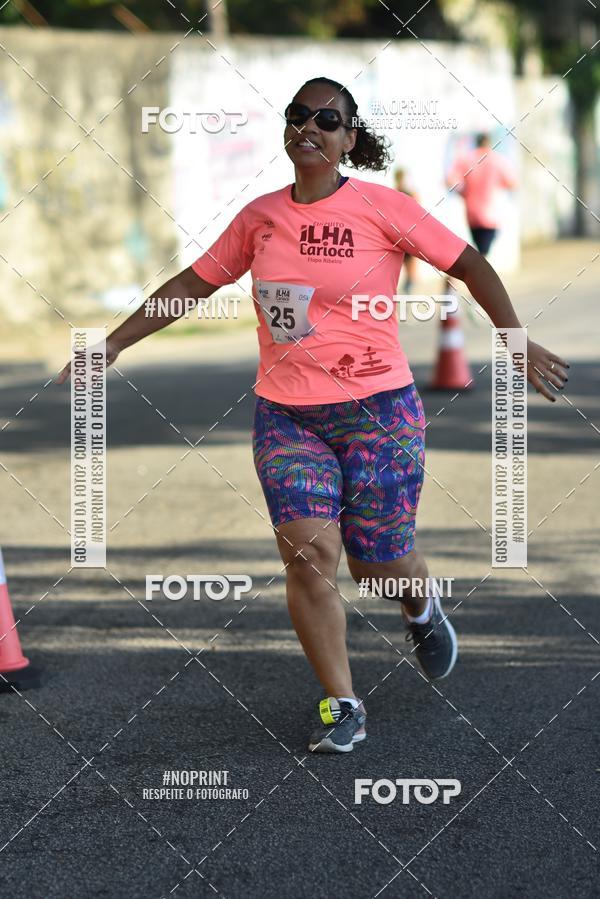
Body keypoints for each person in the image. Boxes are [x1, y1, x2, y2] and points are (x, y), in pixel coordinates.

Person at [57, 77, 568, 754]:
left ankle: (419, 604)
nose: (311, 127)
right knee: (308, 556)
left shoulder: (384, 207)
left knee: (376, 563)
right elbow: (191, 283)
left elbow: (470, 262)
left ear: (349, 139)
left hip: (380, 412)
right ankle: (343, 702)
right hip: (287, 416)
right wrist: (113, 343)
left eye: (328, 119)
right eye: (299, 116)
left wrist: (513, 338)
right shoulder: (259, 218)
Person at [446, 132, 517, 257]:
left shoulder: (466, 159)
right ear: (488, 142)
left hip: (471, 213)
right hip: (490, 215)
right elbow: (512, 183)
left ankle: (458, 273)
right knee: (483, 253)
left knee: (480, 251)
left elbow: (449, 180)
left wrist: (463, 193)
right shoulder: (497, 160)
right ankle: (461, 273)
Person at [393, 167, 419, 293]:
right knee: (402, 264)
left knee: (409, 266)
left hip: (407, 234)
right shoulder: (394, 193)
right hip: (400, 234)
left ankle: (408, 289)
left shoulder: (409, 193)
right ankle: (406, 289)